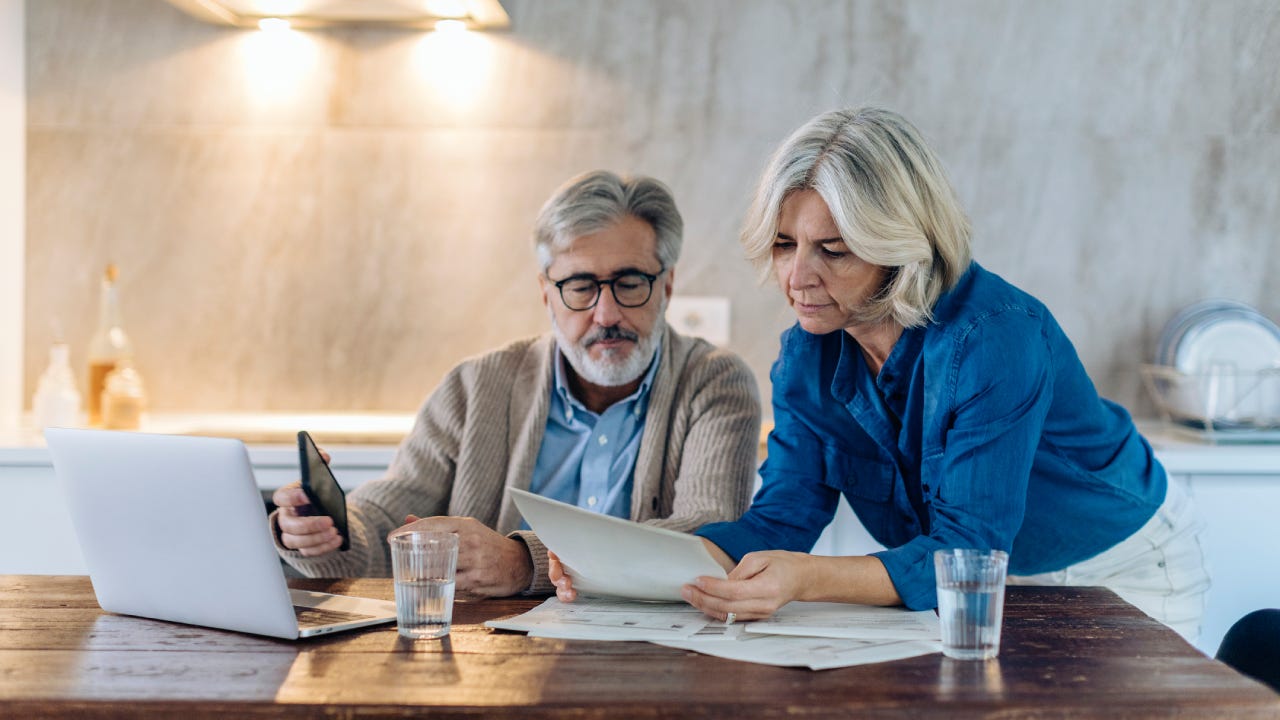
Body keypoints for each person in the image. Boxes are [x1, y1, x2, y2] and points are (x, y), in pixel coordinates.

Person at [553, 108, 1209, 641]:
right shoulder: (808, 354)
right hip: (976, 583)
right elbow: (781, 520)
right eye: (785, 244)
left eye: (831, 250)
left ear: (900, 245)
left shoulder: (995, 339)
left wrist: (806, 580)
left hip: (1120, 569)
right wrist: (626, 562)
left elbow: (966, 550)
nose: (796, 277)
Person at [272, 170, 761, 597]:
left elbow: (706, 539)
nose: (606, 314)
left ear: (667, 285)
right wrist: (329, 531)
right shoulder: (474, 386)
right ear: (546, 292)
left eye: (630, 283)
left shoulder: (714, 382)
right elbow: (386, 520)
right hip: (488, 660)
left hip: (654, 657)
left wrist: (525, 562)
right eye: (580, 287)